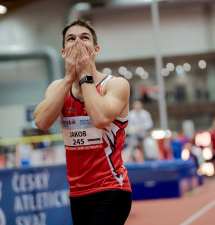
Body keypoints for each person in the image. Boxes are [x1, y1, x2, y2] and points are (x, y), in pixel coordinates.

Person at [34, 19, 132, 225]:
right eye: (71, 39)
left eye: (84, 38)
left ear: (95, 50)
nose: (77, 43)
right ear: (63, 52)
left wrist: (84, 76)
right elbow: (41, 122)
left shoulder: (115, 85)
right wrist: (69, 78)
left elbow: (100, 119)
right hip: (78, 192)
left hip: (111, 188)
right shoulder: (57, 88)